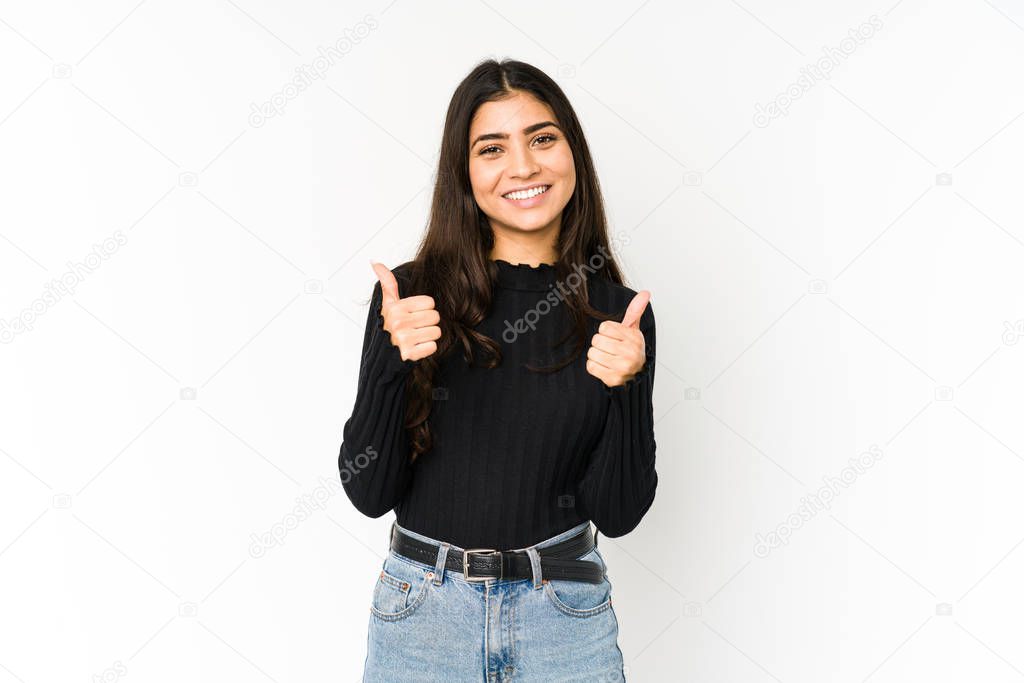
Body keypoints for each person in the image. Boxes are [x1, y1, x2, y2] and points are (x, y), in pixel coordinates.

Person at [338, 58, 658, 682]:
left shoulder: (621, 316)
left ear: (572, 153)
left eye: (542, 138)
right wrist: (389, 362)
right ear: (465, 174)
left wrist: (628, 387)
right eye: (492, 148)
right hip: (424, 618)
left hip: (565, 619)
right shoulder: (412, 301)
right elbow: (368, 493)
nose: (523, 166)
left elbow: (618, 514)